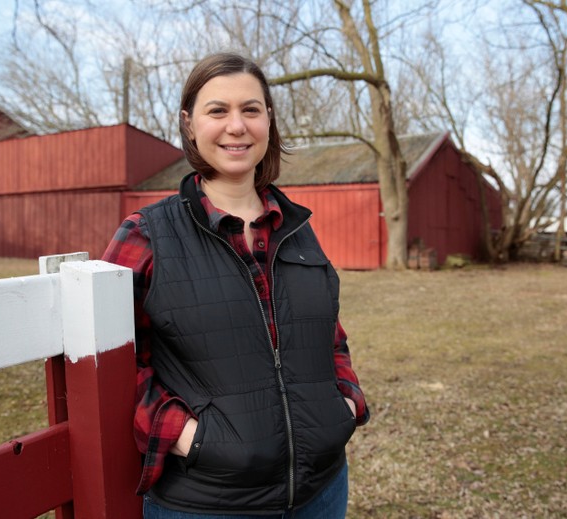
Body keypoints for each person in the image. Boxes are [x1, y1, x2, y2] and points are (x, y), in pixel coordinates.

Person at [102, 52, 369, 519]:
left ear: (269, 119)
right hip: (207, 501)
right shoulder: (148, 234)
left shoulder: (296, 228)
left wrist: (344, 402)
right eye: (217, 110)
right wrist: (190, 438)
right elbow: (115, 361)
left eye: (250, 109)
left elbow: (329, 332)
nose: (236, 126)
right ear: (189, 124)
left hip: (321, 490)